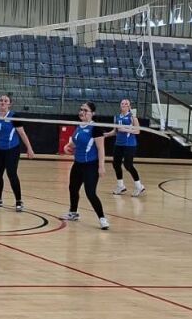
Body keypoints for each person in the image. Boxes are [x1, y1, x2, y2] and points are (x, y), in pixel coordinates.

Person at [61, 101, 110, 229]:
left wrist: (101, 166)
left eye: (85, 110)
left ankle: (102, 218)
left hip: (91, 166)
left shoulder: (95, 128)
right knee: (73, 188)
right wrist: (67, 146)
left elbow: (101, 149)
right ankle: (73, 213)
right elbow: (75, 142)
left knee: (90, 193)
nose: (82, 112)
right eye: (81, 109)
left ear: (92, 113)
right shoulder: (79, 126)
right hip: (78, 164)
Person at [104, 98, 144, 197]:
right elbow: (115, 131)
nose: (124, 105)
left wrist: (125, 129)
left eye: (126, 104)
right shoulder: (116, 117)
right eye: (122, 103)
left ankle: (139, 186)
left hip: (129, 144)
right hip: (118, 144)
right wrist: (106, 134)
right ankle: (120, 186)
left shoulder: (132, 117)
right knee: (116, 164)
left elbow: (137, 131)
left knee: (128, 165)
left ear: (129, 106)